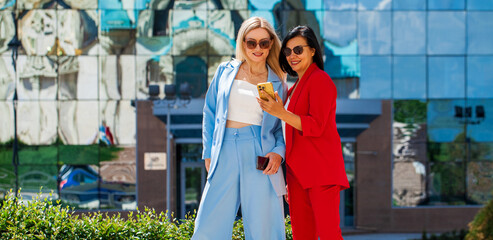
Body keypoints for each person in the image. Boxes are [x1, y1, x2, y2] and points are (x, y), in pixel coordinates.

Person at [192, 17, 287, 240]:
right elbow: (210, 112)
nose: (257, 48)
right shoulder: (225, 71)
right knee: (208, 221)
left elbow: (281, 128)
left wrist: (278, 154)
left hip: (259, 152)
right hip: (224, 149)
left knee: (264, 223)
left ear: (271, 44)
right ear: (242, 43)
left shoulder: (277, 82)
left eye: (264, 43)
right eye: (251, 42)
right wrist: (208, 153)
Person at [257, 25, 350, 240]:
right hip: (298, 176)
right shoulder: (294, 87)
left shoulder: (321, 80)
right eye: (287, 51)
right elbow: (292, 133)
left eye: (298, 49)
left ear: (313, 51)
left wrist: (280, 112)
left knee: (329, 234)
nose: (292, 56)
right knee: (302, 235)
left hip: (321, 173)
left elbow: (316, 126)